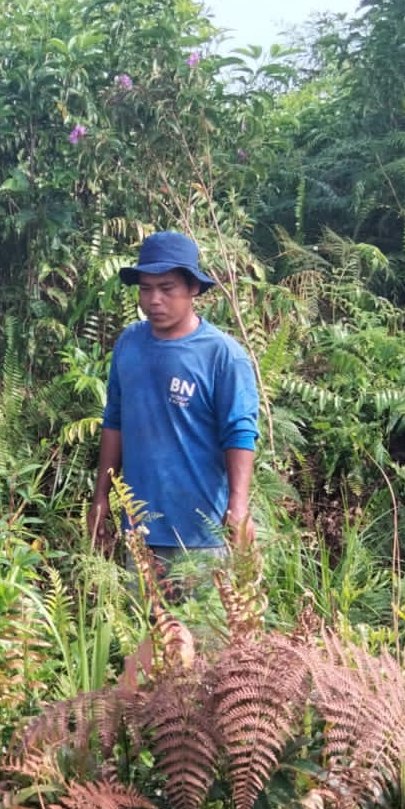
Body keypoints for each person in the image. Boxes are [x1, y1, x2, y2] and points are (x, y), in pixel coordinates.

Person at [87, 230, 258, 590]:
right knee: (144, 639)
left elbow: (240, 432)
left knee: (205, 643)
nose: (154, 300)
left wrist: (238, 508)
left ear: (193, 288)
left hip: (202, 534)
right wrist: (101, 496)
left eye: (167, 288)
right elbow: (114, 421)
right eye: (146, 289)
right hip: (140, 530)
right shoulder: (129, 344)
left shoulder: (222, 355)